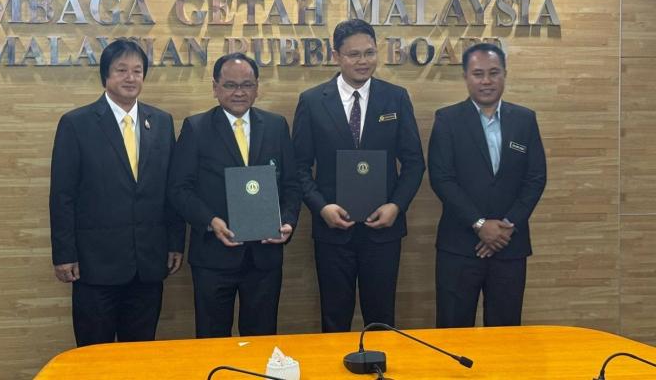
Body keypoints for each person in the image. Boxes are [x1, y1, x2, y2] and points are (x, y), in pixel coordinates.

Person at [292, 19, 425, 332]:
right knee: (334, 318)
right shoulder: (312, 101)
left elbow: (414, 162)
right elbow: (298, 167)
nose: (363, 61)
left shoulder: (396, 98)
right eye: (354, 55)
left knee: (381, 318)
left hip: (383, 231)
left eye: (369, 53)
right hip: (333, 230)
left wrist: (396, 206)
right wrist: (321, 207)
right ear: (336, 56)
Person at [49, 38, 185, 345]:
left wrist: (175, 242)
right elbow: (62, 195)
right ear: (105, 76)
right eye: (121, 70)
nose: (130, 77)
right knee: (94, 354)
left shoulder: (161, 122)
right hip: (95, 265)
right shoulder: (77, 124)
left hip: (148, 262)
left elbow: (171, 190)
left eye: (137, 70)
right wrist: (64, 254)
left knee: (139, 352)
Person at [169, 53, 302, 338]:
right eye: (230, 85)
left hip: (264, 257)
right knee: (212, 339)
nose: (239, 92)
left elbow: (292, 184)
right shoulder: (196, 128)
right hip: (213, 257)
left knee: (261, 338)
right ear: (215, 87)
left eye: (247, 85)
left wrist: (288, 221)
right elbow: (179, 189)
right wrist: (210, 221)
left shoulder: (276, 126)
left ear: (257, 87)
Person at [428, 42, 546, 328]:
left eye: (494, 73)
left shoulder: (524, 120)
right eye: (478, 74)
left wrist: (506, 226)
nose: (486, 81)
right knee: (453, 331)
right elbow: (441, 179)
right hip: (459, 246)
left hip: (509, 245)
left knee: (506, 332)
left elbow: (535, 178)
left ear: (505, 74)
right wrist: (480, 224)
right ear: (466, 77)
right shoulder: (447, 120)